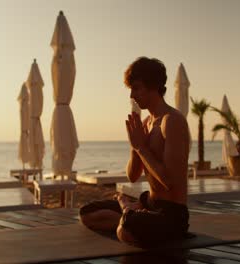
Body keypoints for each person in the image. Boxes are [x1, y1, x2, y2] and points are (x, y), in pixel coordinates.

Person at [79, 57, 191, 247]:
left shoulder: (172, 121)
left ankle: (127, 211)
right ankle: (131, 213)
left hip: (171, 213)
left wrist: (141, 147)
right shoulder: (146, 123)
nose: (132, 95)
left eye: (137, 88)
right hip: (148, 203)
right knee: (87, 213)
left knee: (126, 231)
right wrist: (135, 146)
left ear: (154, 86)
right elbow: (132, 175)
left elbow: (170, 182)